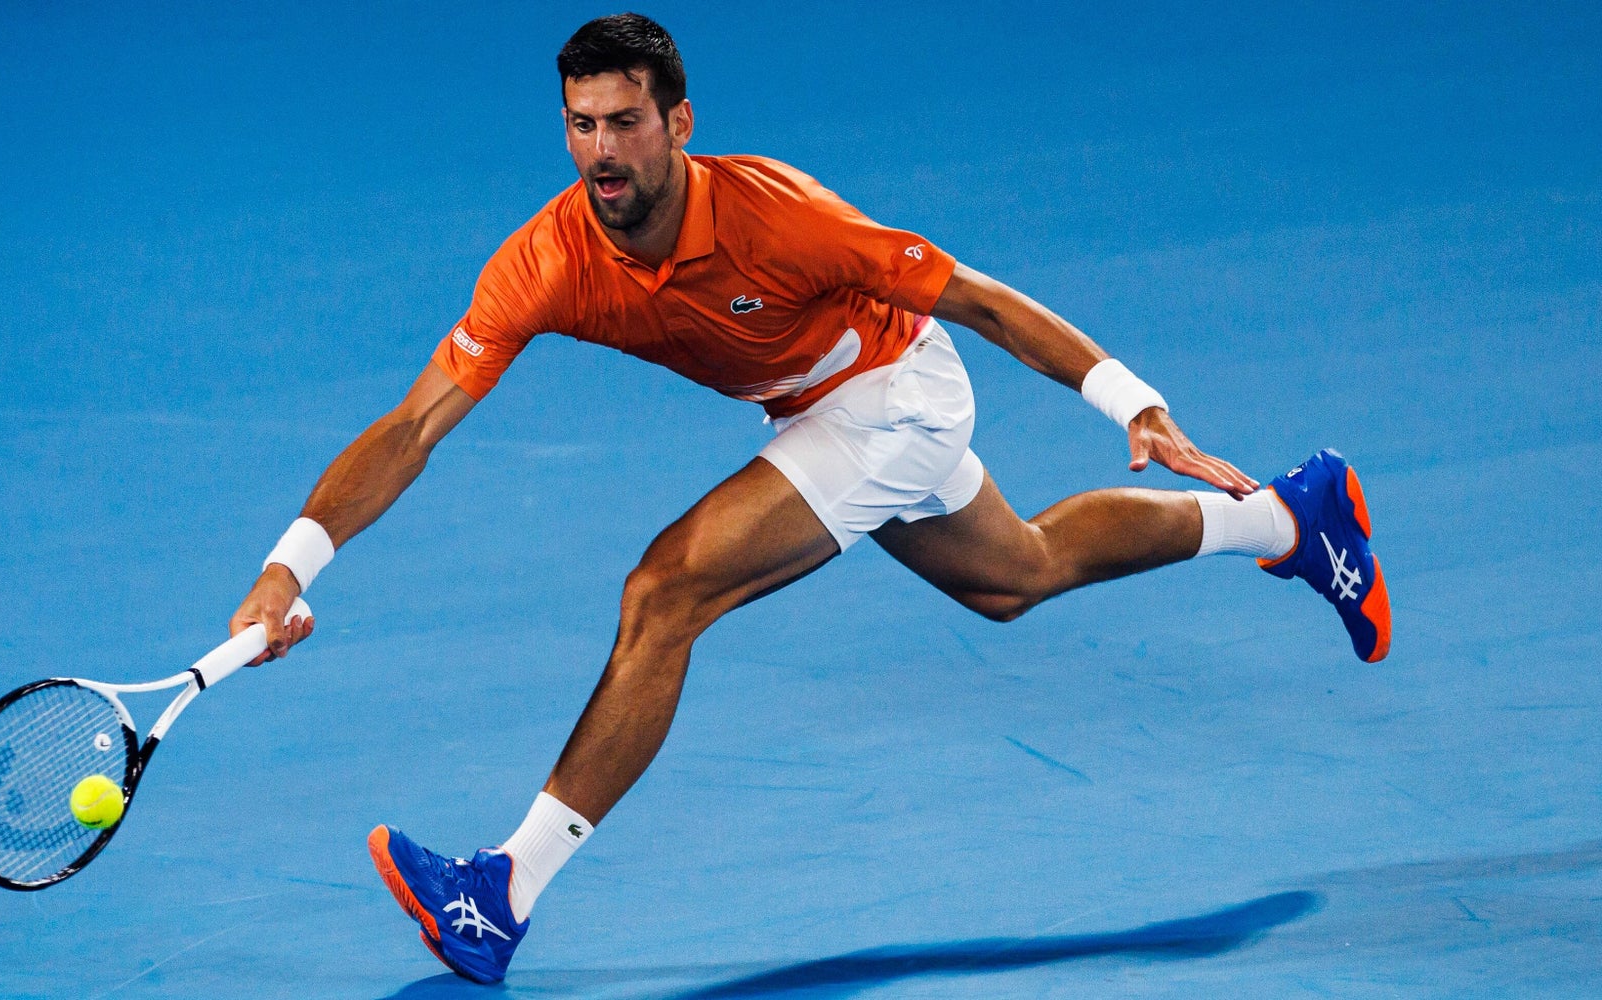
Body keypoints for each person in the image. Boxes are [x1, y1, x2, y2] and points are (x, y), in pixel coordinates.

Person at [228, 12, 1391, 984]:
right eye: (580, 125)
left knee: (665, 591)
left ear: (679, 122)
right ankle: (1292, 517)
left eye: (624, 122)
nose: (601, 152)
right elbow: (413, 425)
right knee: (1015, 574)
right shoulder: (548, 258)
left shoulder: (779, 216)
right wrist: (290, 566)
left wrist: (1132, 402)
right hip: (816, 409)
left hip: (893, 394)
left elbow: (980, 299)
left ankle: (503, 890)